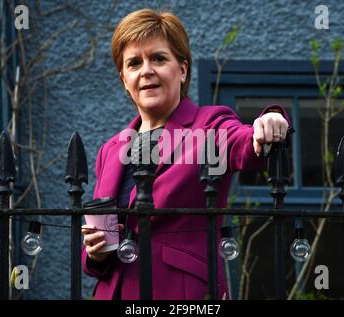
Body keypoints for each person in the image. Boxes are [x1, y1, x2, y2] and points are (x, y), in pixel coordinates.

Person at [81, 8, 291, 300]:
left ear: (182, 70)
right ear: (124, 80)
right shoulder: (111, 150)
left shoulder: (209, 125)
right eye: (134, 63)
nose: (146, 71)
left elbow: (242, 143)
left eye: (158, 58)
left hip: (182, 295)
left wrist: (268, 123)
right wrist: (96, 252)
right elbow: (94, 256)